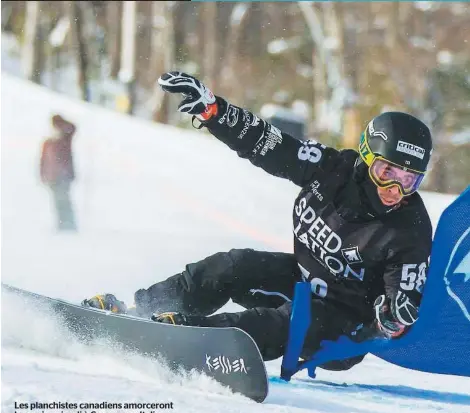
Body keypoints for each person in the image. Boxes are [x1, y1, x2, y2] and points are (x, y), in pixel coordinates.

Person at [83, 72, 433, 370]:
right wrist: (215, 112)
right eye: (387, 171)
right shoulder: (333, 169)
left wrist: (392, 319)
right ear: (366, 158)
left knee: (286, 320)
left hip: (346, 324)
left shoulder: (409, 229)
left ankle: (191, 337)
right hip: (305, 279)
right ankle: (141, 313)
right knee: (231, 265)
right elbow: (271, 145)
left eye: (409, 179)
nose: (394, 188)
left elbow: (394, 317)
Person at [40, 114, 77, 231]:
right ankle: (61, 225)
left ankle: (69, 226)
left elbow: (72, 128)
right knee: (57, 203)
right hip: (52, 178)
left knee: (64, 201)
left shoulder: (64, 140)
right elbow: (43, 161)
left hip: (64, 176)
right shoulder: (48, 142)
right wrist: (43, 175)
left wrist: (61, 123)